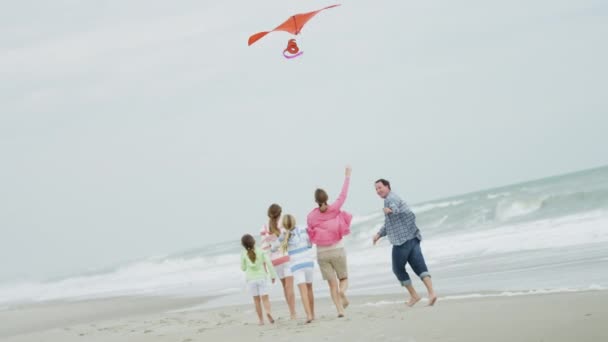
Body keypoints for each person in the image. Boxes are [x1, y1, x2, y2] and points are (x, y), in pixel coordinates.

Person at [372, 179, 438, 307]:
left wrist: (390, 210)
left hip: (402, 242)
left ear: (387, 186)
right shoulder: (395, 197)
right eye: (376, 189)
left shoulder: (390, 199)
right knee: (419, 266)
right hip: (413, 237)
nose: (378, 191)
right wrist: (379, 234)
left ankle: (414, 295)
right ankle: (432, 293)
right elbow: (390, 223)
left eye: (380, 187)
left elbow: (395, 210)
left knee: (398, 269)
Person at [307, 166, 353, 317]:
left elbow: (310, 234)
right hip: (337, 249)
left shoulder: (311, 216)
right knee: (343, 278)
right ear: (326, 197)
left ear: (315, 201)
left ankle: (340, 311)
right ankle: (342, 291)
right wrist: (347, 176)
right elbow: (343, 195)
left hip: (322, 253)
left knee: (331, 284)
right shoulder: (334, 208)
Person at [260, 204, 297, 319]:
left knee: (285, 286)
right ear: (280, 213)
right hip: (286, 258)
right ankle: (293, 313)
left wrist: (265, 265)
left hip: (275, 261)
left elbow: (264, 247)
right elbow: (292, 238)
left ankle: (291, 312)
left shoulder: (265, 228)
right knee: (289, 287)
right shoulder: (284, 223)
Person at [279, 214, 316, 323]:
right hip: (308, 262)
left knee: (303, 291)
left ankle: (308, 315)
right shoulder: (304, 229)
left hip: (296, 266)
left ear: (284, 225)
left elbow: (276, 248)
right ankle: (313, 314)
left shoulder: (283, 235)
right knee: (310, 289)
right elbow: (310, 244)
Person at [241, 234, 277, 325]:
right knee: (265, 299)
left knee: (256, 300)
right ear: (254, 241)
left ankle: (261, 320)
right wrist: (273, 276)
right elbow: (268, 263)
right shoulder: (261, 251)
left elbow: (243, 268)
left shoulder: (243, 253)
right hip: (261, 277)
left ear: (243, 245)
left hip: (251, 280)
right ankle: (268, 312)